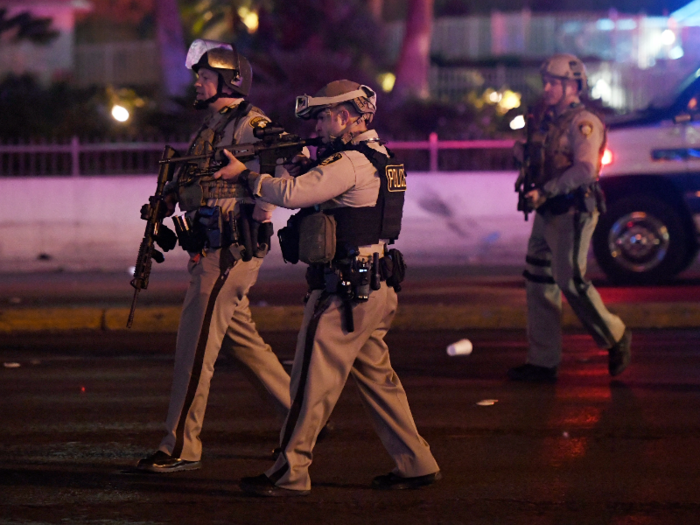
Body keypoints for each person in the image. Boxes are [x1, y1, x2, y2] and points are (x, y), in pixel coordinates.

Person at [212, 80, 441, 496]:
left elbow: (293, 194)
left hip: (346, 290)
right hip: (377, 287)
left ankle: (290, 473)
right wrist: (304, 165)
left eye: (323, 116)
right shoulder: (379, 157)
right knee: (379, 380)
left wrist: (246, 176)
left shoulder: (350, 162)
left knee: (308, 386)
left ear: (347, 116)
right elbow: (337, 195)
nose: (318, 125)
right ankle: (416, 462)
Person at [135, 39, 292, 472]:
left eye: (206, 77)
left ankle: (181, 445)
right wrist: (165, 204)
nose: (198, 84)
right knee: (244, 345)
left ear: (229, 81)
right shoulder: (210, 127)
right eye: (199, 77)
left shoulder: (250, 123)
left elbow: (283, 162)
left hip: (229, 249)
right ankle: (303, 419)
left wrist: (261, 220)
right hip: (208, 247)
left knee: (194, 348)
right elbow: (194, 180)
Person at [509, 54, 632, 384]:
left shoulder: (583, 122)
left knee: (571, 280)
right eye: (546, 81)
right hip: (547, 209)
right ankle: (542, 360)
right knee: (538, 282)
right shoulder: (549, 118)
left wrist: (546, 190)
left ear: (572, 85)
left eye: (553, 82)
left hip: (572, 210)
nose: (546, 88)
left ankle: (615, 335)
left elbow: (585, 169)